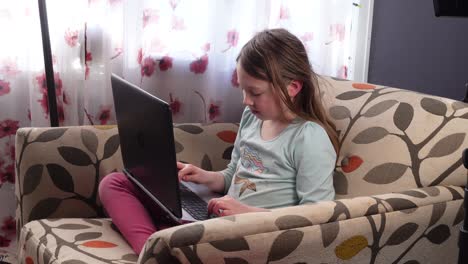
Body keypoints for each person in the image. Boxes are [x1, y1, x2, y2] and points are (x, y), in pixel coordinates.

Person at [99, 28, 339, 254]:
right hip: (217, 218)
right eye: (243, 90)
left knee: (172, 227)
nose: (246, 101)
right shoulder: (252, 118)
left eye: (255, 93)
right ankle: (159, 249)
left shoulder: (309, 137)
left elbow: (317, 218)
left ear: (293, 87)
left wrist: (248, 214)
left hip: (252, 232)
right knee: (116, 182)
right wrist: (205, 176)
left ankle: (157, 249)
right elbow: (234, 174)